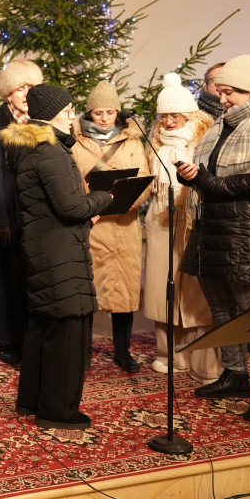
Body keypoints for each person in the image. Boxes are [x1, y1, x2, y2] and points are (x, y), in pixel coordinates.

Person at [178, 54, 250, 422]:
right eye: (220, 91)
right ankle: (235, 374)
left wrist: (204, 181)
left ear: (249, 90)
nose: (221, 99)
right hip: (213, 223)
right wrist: (190, 174)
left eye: (228, 92)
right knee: (221, 304)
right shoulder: (223, 123)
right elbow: (206, 169)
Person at [0, 84, 112, 430]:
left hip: (42, 248)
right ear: (50, 114)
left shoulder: (30, 148)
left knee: (42, 324)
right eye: (65, 109)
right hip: (59, 250)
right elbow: (71, 206)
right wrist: (105, 197)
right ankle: (57, 411)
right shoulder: (51, 152)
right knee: (68, 327)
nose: (70, 114)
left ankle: (31, 400)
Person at [142, 74, 220, 382]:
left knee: (195, 290)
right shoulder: (155, 141)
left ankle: (204, 360)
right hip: (161, 219)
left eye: (176, 115)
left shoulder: (204, 138)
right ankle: (170, 354)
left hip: (193, 218)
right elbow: (146, 181)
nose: (170, 121)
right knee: (164, 287)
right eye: (164, 116)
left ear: (189, 114)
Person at [71, 81, 151, 373]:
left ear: (118, 112)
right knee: (89, 290)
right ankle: (83, 352)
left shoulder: (132, 142)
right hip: (93, 226)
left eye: (110, 112)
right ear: (89, 113)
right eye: (98, 112)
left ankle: (122, 350)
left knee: (124, 291)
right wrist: (87, 205)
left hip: (125, 225)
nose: (104, 118)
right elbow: (73, 181)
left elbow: (144, 176)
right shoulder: (76, 142)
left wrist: (134, 199)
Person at [0, 59, 43, 365]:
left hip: (37, 209)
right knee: (8, 277)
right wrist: (2, 221)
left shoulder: (41, 121)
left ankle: (32, 336)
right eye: (20, 87)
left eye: (30, 86)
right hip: (10, 209)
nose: (25, 93)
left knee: (32, 275)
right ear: (8, 93)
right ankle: (8, 341)